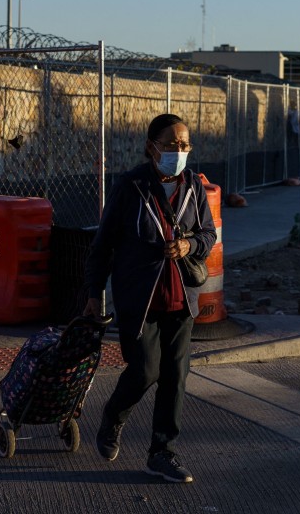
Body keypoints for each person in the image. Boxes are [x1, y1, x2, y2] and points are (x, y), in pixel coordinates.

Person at [83, 113, 216, 484]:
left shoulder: (193, 185)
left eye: (185, 145)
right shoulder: (131, 186)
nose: (179, 151)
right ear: (151, 147)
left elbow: (208, 234)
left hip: (181, 299)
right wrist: (94, 292)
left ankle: (162, 452)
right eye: (172, 145)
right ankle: (114, 416)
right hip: (139, 300)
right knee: (145, 370)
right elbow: (103, 244)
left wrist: (190, 243)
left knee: (175, 377)